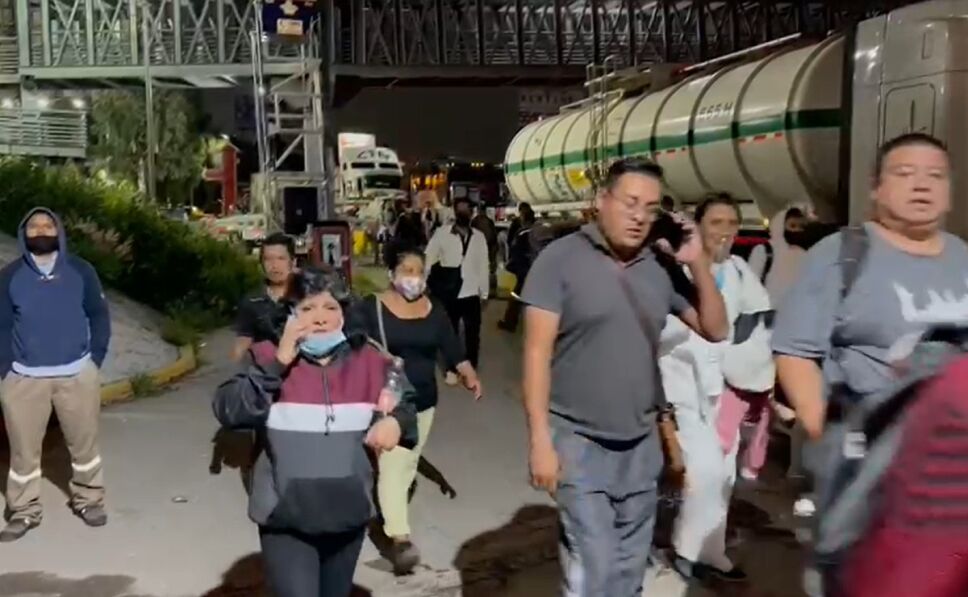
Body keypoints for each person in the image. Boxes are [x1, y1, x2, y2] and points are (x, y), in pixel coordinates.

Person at [521, 158, 728, 596]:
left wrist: (698, 263)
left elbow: (715, 328)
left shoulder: (660, 266)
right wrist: (540, 440)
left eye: (651, 209)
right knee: (593, 567)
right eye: (630, 203)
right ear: (602, 200)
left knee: (630, 571)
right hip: (577, 441)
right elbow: (536, 354)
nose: (639, 217)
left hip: (641, 445)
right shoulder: (560, 260)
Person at [771, 133, 968, 596]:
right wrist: (828, 435)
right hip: (870, 472)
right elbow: (795, 352)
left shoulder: (963, 257)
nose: (922, 185)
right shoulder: (841, 254)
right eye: (905, 173)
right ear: (876, 188)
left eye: (935, 176)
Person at [212, 266, 418, 597]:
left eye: (330, 307)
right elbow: (229, 409)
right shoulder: (264, 356)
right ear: (289, 314)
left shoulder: (369, 359)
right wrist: (278, 363)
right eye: (307, 308)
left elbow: (406, 403)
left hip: (348, 514)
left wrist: (396, 422)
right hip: (285, 519)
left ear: (344, 313)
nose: (320, 318)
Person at [658, 194, 772, 583]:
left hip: (723, 387)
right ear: (698, 226)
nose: (724, 232)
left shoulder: (738, 271)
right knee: (704, 469)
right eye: (715, 223)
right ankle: (685, 549)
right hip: (679, 387)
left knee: (724, 473)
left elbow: (756, 321)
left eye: (732, 223)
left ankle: (712, 550)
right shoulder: (677, 271)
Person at [353, 242, 483, 574]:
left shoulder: (433, 308)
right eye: (407, 270)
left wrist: (467, 373)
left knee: (408, 463)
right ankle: (400, 539)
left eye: (419, 272)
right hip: (390, 401)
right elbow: (352, 347)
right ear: (391, 274)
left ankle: (387, 513)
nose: (414, 278)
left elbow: (450, 346)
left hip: (425, 400)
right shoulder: (372, 307)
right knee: (394, 466)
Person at [0, 207, 111, 542]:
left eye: (47, 224)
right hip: (24, 380)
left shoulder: (81, 271)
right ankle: (24, 510)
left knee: (84, 445)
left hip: (76, 375)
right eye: (33, 226)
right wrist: (6, 370)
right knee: (23, 452)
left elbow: (98, 315)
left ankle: (89, 500)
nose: (41, 230)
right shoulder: (10, 276)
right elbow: (2, 326)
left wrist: (94, 359)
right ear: (24, 234)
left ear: (58, 231)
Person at [425, 196, 490, 384]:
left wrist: (484, 292)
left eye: (466, 209)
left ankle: (471, 368)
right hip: (449, 291)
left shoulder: (478, 237)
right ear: (454, 211)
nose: (463, 212)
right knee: (450, 333)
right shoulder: (442, 234)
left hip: (471, 292)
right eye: (460, 209)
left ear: (471, 213)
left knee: (472, 334)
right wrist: (423, 283)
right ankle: (451, 369)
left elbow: (483, 265)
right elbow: (429, 257)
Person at [231, 232, 296, 362]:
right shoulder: (252, 302)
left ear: (293, 262)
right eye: (268, 259)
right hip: (267, 368)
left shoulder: (307, 297)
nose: (274, 265)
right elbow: (243, 340)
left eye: (281, 258)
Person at [498, 202, 536, 332]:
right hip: (536, 267)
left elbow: (514, 249)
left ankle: (510, 322)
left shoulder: (522, 232)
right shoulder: (538, 229)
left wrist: (511, 265)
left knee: (516, 296)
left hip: (524, 269)